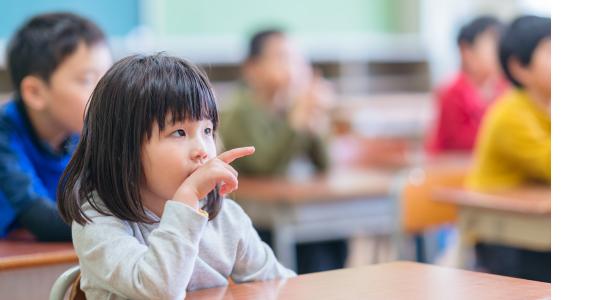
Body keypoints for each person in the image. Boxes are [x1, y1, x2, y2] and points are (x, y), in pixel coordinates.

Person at [58, 54, 296, 299]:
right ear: (122, 149)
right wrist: (186, 200)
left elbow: (279, 283)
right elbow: (160, 291)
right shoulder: (98, 220)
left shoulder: (225, 218)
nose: (202, 149)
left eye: (207, 130)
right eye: (179, 132)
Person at [219, 29, 347, 274]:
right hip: (257, 218)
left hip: (296, 209)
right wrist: (296, 123)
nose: (292, 67)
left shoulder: (292, 105)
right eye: (281, 57)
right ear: (252, 68)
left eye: (297, 59)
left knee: (332, 239)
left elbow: (326, 164)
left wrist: (314, 119)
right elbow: (264, 167)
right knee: (314, 254)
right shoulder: (239, 110)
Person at [0, 12, 112, 240]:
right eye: (87, 80)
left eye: (108, 78)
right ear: (35, 92)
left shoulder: (79, 135)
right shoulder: (5, 136)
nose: (106, 93)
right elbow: (43, 220)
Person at [466, 15, 551, 282]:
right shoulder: (511, 113)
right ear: (519, 67)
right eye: (552, 52)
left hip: (536, 227)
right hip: (500, 233)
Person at [426, 16, 507, 155]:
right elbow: (461, 142)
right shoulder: (451, 92)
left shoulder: (505, 88)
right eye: (491, 45)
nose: (498, 52)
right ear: (466, 51)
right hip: (450, 169)